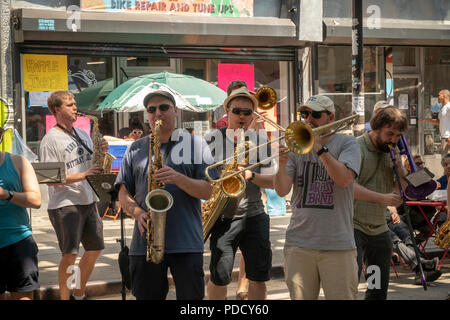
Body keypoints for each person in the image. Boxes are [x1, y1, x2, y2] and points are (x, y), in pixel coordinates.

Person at [115, 90, 215, 300]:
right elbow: (123, 193)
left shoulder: (196, 144)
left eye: (164, 107)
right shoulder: (135, 148)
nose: (157, 113)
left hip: (186, 242)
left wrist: (179, 178)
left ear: (175, 111)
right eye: (151, 109)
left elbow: (208, 190)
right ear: (147, 115)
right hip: (145, 244)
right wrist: (137, 213)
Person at [274, 95, 361, 300]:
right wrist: (282, 164)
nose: (308, 119)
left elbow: (344, 179)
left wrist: (319, 148)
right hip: (299, 243)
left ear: (330, 117)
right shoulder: (297, 145)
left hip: (338, 244)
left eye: (315, 114)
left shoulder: (348, 143)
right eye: (304, 114)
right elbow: (281, 190)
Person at [206, 86, 275, 300]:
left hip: (254, 214)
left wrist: (249, 176)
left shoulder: (261, 142)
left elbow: (273, 182)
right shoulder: (211, 139)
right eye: (237, 111)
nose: (242, 116)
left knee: (258, 276)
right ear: (227, 111)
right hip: (222, 215)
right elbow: (201, 176)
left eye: (247, 112)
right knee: (219, 275)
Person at [39, 90, 109, 300]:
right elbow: (49, 177)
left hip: (89, 200)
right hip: (65, 203)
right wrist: (84, 175)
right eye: (69, 104)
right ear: (57, 109)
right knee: (69, 254)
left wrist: (102, 153)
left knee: (95, 249)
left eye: (75, 103)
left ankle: (78, 293)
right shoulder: (50, 139)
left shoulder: (83, 134)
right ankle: (65, 297)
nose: (75, 107)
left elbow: (93, 167)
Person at [354, 105, 409, 300]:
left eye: (397, 136)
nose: (393, 140)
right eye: (390, 134)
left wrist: (400, 170)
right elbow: (347, 187)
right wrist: (381, 198)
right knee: (349, 283)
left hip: (378, 229)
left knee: (376, 286)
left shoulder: (391, 153)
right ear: (376, 127)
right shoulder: (356, 148)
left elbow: (399, 192)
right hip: (353, 225)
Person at [0, 126, 42, 300]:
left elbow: (36, 200)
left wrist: (6, 194)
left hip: (18, 241)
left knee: (24, 297)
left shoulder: (19, 162)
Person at [386, 207, 442, 285]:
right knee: (394, 239)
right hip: (373, 221)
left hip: (388, 217)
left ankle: (421, 271)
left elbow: (390, 205)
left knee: (407, 235)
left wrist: (394, 213)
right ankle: (421, 264)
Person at [420, 89, 450, 155]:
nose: (437, 97)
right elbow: (439, 122)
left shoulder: (448, 106)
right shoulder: (442, 108)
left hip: (448, 139)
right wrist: (426, 120)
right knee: (445, 162)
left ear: (444, 96)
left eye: (439, 95)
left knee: (447, 162)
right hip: (443, 138)